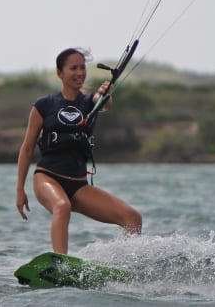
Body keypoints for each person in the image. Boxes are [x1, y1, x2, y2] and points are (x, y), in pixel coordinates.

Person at [15, 48, 142, 254]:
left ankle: (129, 264)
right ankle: (60, 263)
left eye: (82, 67)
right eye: (73, 68)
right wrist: (20, 189)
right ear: (60, 73)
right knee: (62, 207)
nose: (79, 72)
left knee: (132, 218)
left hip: (78, 185)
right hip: (48, 177)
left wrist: (104, 94)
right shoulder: (44, 105)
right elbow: (27, 148)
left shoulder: (89, 101)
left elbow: (104, 103)